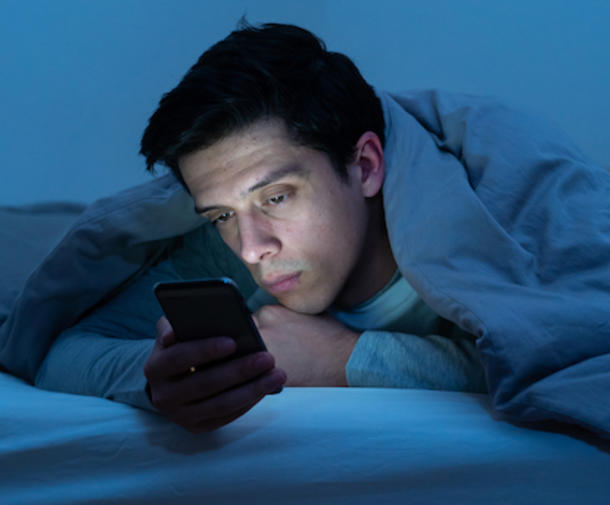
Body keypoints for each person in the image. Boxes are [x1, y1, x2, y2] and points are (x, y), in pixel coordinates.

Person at [5, 22, 610, 438]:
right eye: (222, 215)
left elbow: (576, 346)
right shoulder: (212, 246)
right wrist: (154, 378)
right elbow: (60, 349)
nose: (251, 248)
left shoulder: (489, 207)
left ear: (366, 166)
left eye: (276, 196)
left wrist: (348, 360)